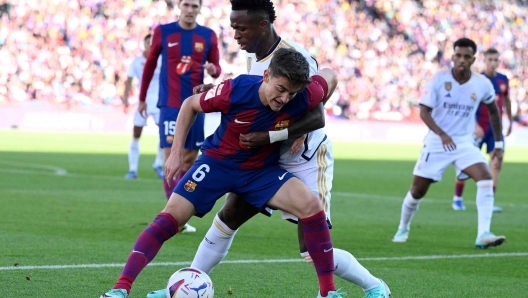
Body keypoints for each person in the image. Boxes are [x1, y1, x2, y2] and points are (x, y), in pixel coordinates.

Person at [147, 1, 389, 298]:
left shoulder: (291, 56)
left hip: (305, 160)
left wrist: (277, 135)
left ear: (262, 25)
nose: (235, 34)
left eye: (241, 28)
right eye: (233, 26)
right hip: (266, 161)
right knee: (227, 219)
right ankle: (184, 286)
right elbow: (251, 94)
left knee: (309, 250)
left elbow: (316, 113)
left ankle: (374, 286)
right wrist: (214, 89)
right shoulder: (256, 57)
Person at [100, 48, 344, 298]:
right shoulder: (235, 90)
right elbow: (190, 104)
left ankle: (328, 293)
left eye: (291, 94)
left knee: (312, 207)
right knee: (170, 218)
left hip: (260, 171)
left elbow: (330, 75)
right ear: (267, 75)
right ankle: (121, 288)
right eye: (280, 89)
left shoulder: (303, 95)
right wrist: (175, 153)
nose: (284, 99)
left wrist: (302, 125)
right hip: (218, 164)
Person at [392, 38, 506, 249]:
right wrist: (442, 134)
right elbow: (424, 111)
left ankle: (483, 233)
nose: (461, 60)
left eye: (466, 56)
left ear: (473, 59)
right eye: (458, 55)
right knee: (418, 190)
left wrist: (499, 143)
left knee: (485, 177)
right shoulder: (438, 79)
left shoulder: (482, 84)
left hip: (463, 142)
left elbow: (494, 112)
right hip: (437, 142)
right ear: (453, 56)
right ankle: (403, 226)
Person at [138, 0, 221, 232]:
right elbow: (149, 65)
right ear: (179, 6)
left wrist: (214, 70)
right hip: (171, 104)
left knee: (189, 158)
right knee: (171, 156)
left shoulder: (208, 35)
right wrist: (142, 97)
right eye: (186, 5)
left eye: (195, 6)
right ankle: (172, 215)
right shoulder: (163, 32)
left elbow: (217, 66)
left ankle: (178, 210)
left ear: (200, 8)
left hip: (197, 105)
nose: (190, 10)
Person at [451, 48, 513, 213]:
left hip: (495, 130)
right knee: (466, 164)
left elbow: (506, 100)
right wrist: (474, 124)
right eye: (490, 60)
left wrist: (510, 121)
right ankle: (457, 198)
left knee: (496, 163)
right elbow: (467, 103)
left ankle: (488, 202)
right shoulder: (477, 80)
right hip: (478, 129)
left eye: (496, 60)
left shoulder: (503, 80)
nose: (493, 63)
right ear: (484, 61)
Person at [122, 34, 165, 180]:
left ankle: (158, 164)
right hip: (142, 102)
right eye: (148, 42)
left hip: (160, 102)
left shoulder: (162, 60)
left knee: (165, 134)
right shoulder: (137, 62)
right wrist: (125, 97)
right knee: (136, 135)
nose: (151, 45)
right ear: (144, 44)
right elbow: (128, 80)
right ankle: (133, 169)